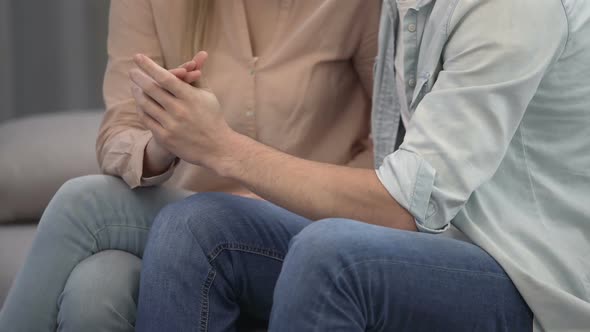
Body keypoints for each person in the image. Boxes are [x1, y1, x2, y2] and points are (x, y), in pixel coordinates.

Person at [132, 0, 590, 331]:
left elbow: (405, 206)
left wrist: (222, 147)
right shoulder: (404, 6)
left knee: (329, 254)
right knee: (194, 227)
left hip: (531, 285)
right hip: (441, 243)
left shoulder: (513, 11)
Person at [0, 0, 381, 331]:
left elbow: (388, 148)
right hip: (182, 222)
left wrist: (283, 188)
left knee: (82, 203)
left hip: (303, 222)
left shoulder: (357, 6)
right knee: (95, 290)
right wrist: (163, 144)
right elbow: (119, 132)